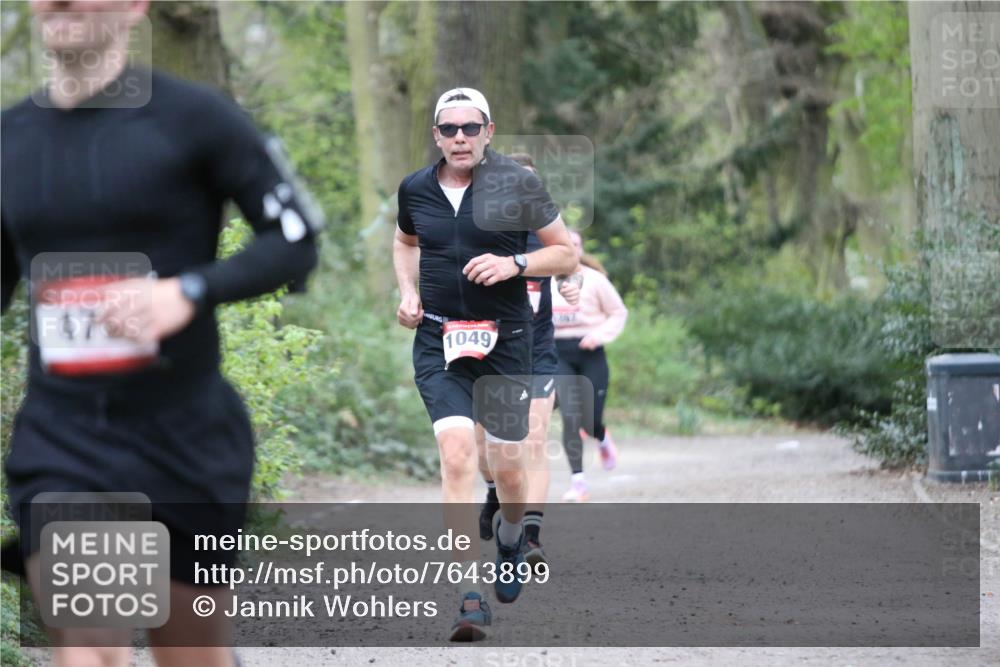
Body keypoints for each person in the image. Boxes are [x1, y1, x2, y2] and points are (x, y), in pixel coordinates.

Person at [1, 2, 319, 665]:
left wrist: (188, 290)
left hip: (185, 437)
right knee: (92, 644)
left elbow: (294, 240)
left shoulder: (195, 118)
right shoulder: (11, 139)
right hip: (64, 440)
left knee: (191, 655)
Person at [394, 88, 576, 641]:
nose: (460, 138)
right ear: (436, 135)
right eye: (449, 129)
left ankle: (512, 537)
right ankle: (469, 597)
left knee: (508, 467)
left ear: (488, 132)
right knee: (456, 459)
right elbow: (405, 242)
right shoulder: (415, 188)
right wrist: (407, 292)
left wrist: (515, 263)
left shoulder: (517, 184)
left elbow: (564, 251)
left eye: (470, 128)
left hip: (507, 342)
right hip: (439, 341)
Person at [475, 152, 579, 573]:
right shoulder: (478, 230)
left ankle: (530, 537)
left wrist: (572, 284)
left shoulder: (547, 232)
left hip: (535, 354)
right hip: (485, 352)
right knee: (485, 451)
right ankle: (493, 490)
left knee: (534, 442)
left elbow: (570, 264)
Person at [552, 230, 628, 502]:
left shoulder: (595, 280)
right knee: (570, 416)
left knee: (590, 419)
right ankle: (578, 482)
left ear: (581, 249)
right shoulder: (544, 281)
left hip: (591, 354)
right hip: (558, 354)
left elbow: (618, 313)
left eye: (576, 244)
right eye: (566, 243)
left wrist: (599, 335)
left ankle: (602, 437)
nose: (571, 248)